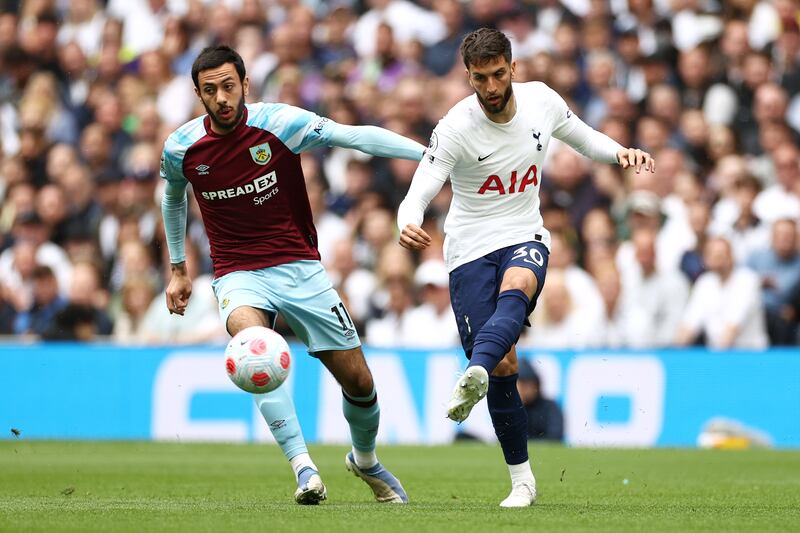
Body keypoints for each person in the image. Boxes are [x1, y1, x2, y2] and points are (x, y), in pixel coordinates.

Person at [397, 28, 654, 507]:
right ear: (468, 76)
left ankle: (475, 372)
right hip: (469, 249)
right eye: (480, 78)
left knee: (520, 284)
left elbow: (581, 136)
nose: (491, 88)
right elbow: (421, 187)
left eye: (498, 75)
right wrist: (408, 220)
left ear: (513, 67)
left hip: (524, 232)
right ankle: (523, 479)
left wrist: (618, 151)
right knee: (506, 362)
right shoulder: (455, 126)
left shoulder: (541, 102)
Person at [161, 46, 425, 505]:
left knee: (359, 383)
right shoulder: (181, 147)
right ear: (197, 94)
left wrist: (430, 156)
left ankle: (364, 460)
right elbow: (173, 197)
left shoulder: (279, 123)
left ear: (245, 84)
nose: (221, 98)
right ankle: (304, 470)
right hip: (237, 272)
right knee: (252, 349)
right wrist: (179, 269)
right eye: (210, 90)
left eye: (228, 86)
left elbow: (354, 137)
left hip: (300, 268)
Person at [517, 358, 563, 442]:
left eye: (527, 385)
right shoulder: (513, 410)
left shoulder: (550, 407)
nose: (524, 390)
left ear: (536, 385)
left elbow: (555, 437)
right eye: (520, 385)